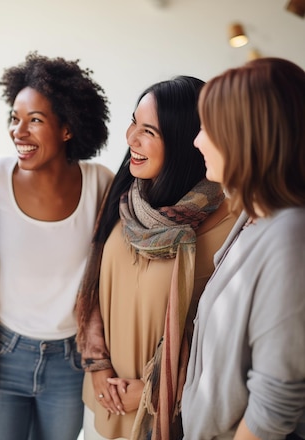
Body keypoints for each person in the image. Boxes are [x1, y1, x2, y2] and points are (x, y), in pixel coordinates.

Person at [76, 76, 236, 440]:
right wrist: (97, 365)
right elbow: (93, 290)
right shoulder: (124, 196)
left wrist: (152, 390)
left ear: (184, 141)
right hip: (101, 402)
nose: (131, 138)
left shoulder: (228, 227)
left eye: (149, 131)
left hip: (160, 417)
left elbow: (217, 342)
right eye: (134, 122)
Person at [0, 52, 113, 440]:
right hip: (3, 350)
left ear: (68, 129)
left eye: (35, 120)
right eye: (15, 119)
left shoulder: (100, 184)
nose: (18, 133)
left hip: (70, 359)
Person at [181, 57, 305, 440]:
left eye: (207, 128)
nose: (197, 140)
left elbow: (274, 404)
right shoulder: (251, 218)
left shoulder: (290, 238)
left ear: (245, 134)